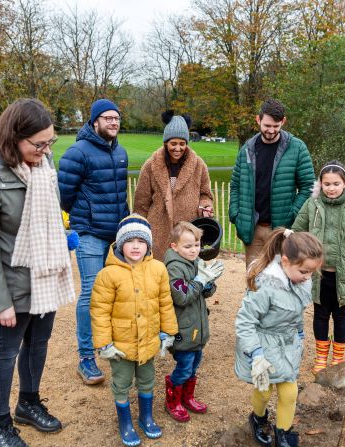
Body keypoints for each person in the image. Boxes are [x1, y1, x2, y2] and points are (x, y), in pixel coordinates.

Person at [0, 98, 74, 447]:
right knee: (4, 351)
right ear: (14, 137)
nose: (45, 151)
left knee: (38, 344)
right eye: (38, 144)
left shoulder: (40, 161)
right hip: (10, 282)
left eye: (50, 143)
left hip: (44, 275)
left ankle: (28, 403)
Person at [90, 214, 178, 447]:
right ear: (120, 244)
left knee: (147, 380)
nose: (136, 245)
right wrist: (104, 344)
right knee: (122, 383)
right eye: (130, 241)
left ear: (148, 244)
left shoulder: (158, 269)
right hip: (120, 345)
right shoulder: (108, 275)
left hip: (148, 340)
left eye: (141, 240)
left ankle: (146, 417)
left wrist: (168, 332)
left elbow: (165, 302)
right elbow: (99, 311)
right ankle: (125, 422)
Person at [235, 228, 323, 447]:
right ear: (285, 261)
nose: (308, 276)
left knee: (289, 392)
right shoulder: (266, 286)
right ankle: (257, 418)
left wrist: (300, 333)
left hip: (287, 345)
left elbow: (296, 310)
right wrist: (255, 354)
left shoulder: (301, 279)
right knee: (264, 391)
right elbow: (245, 322)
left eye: (312, 271)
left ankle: (282, 439)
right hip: (263, 347)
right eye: (304, 271)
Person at [59, 98, 130, 385]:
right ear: (94, 121)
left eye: (117, 118)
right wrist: (84, 214)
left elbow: (121, 195)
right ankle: (86, 356)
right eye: (108, 118)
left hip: (115, 234)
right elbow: (64, 194)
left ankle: (108, 344)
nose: (114, 122)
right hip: (89, 233)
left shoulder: (121, 152)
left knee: (113, 292)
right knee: (90, 292)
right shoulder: (78, 152)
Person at [291, 160, 345, 373]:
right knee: (320, 315)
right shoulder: (312, 205)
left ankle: (338, 357)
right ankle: (321, 356)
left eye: (336, 183)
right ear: (320, 184)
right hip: (318, 274)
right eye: (327, 184)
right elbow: (297, 233)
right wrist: (304, 263)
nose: (331, 188)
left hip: (344, 275)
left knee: (341, 316)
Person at [229, 98, 315, 269]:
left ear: (283, 121)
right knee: (254, 279)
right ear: (258, 119)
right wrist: (236, 214)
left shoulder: (297, 148)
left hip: (282, 230)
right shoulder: (247, 148)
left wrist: (292, 213)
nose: (271, 130)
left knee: (282, 279)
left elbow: (308, 187)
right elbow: (236, 185)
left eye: (276, 126)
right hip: (253, 229)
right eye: (267, 125)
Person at [163, 221, 224, 422]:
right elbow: (182, 297)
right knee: (184, 367)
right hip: (184, 328)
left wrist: (209, 284)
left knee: (194, 364)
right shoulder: (174, 268)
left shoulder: (195, 262)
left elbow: (203, 292)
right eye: (188, 246)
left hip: (196, 327)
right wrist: (200, 281)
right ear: (175, 246)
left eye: (197, 245)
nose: (194, 250)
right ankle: (173, 400)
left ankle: (187, 397)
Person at [134, 110, 214, 260]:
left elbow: (205, 194)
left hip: (188, 233)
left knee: (185, 275)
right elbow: (141, 204)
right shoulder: (151, 165)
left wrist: (206, 205)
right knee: (159, 274)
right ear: (165, 143)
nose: (178, 148)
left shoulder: (198, 165)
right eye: (173, 144)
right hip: (158, 232)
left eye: (182, 144)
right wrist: (140, 232)